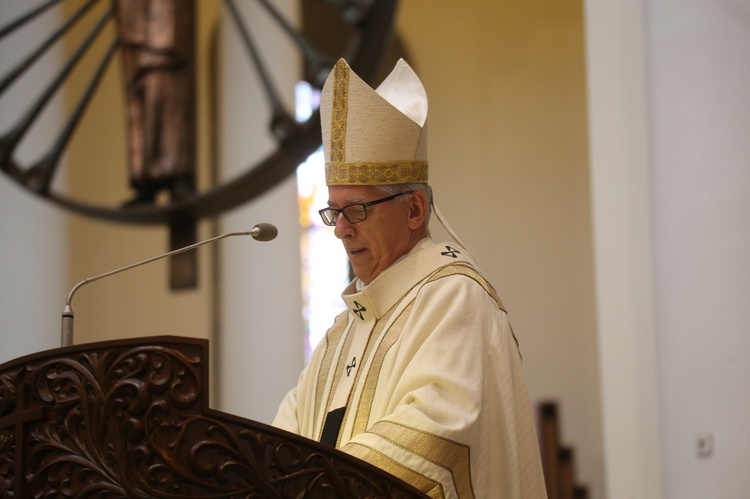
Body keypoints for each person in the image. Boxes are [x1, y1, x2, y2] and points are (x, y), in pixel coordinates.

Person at [273, 58, 546, 498]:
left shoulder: (455, 297)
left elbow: (437, 436)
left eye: (357, 210)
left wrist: (316, 487)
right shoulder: (342, 332)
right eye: (334, 212)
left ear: (415, 209)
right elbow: (278, 445)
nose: (342, 228)